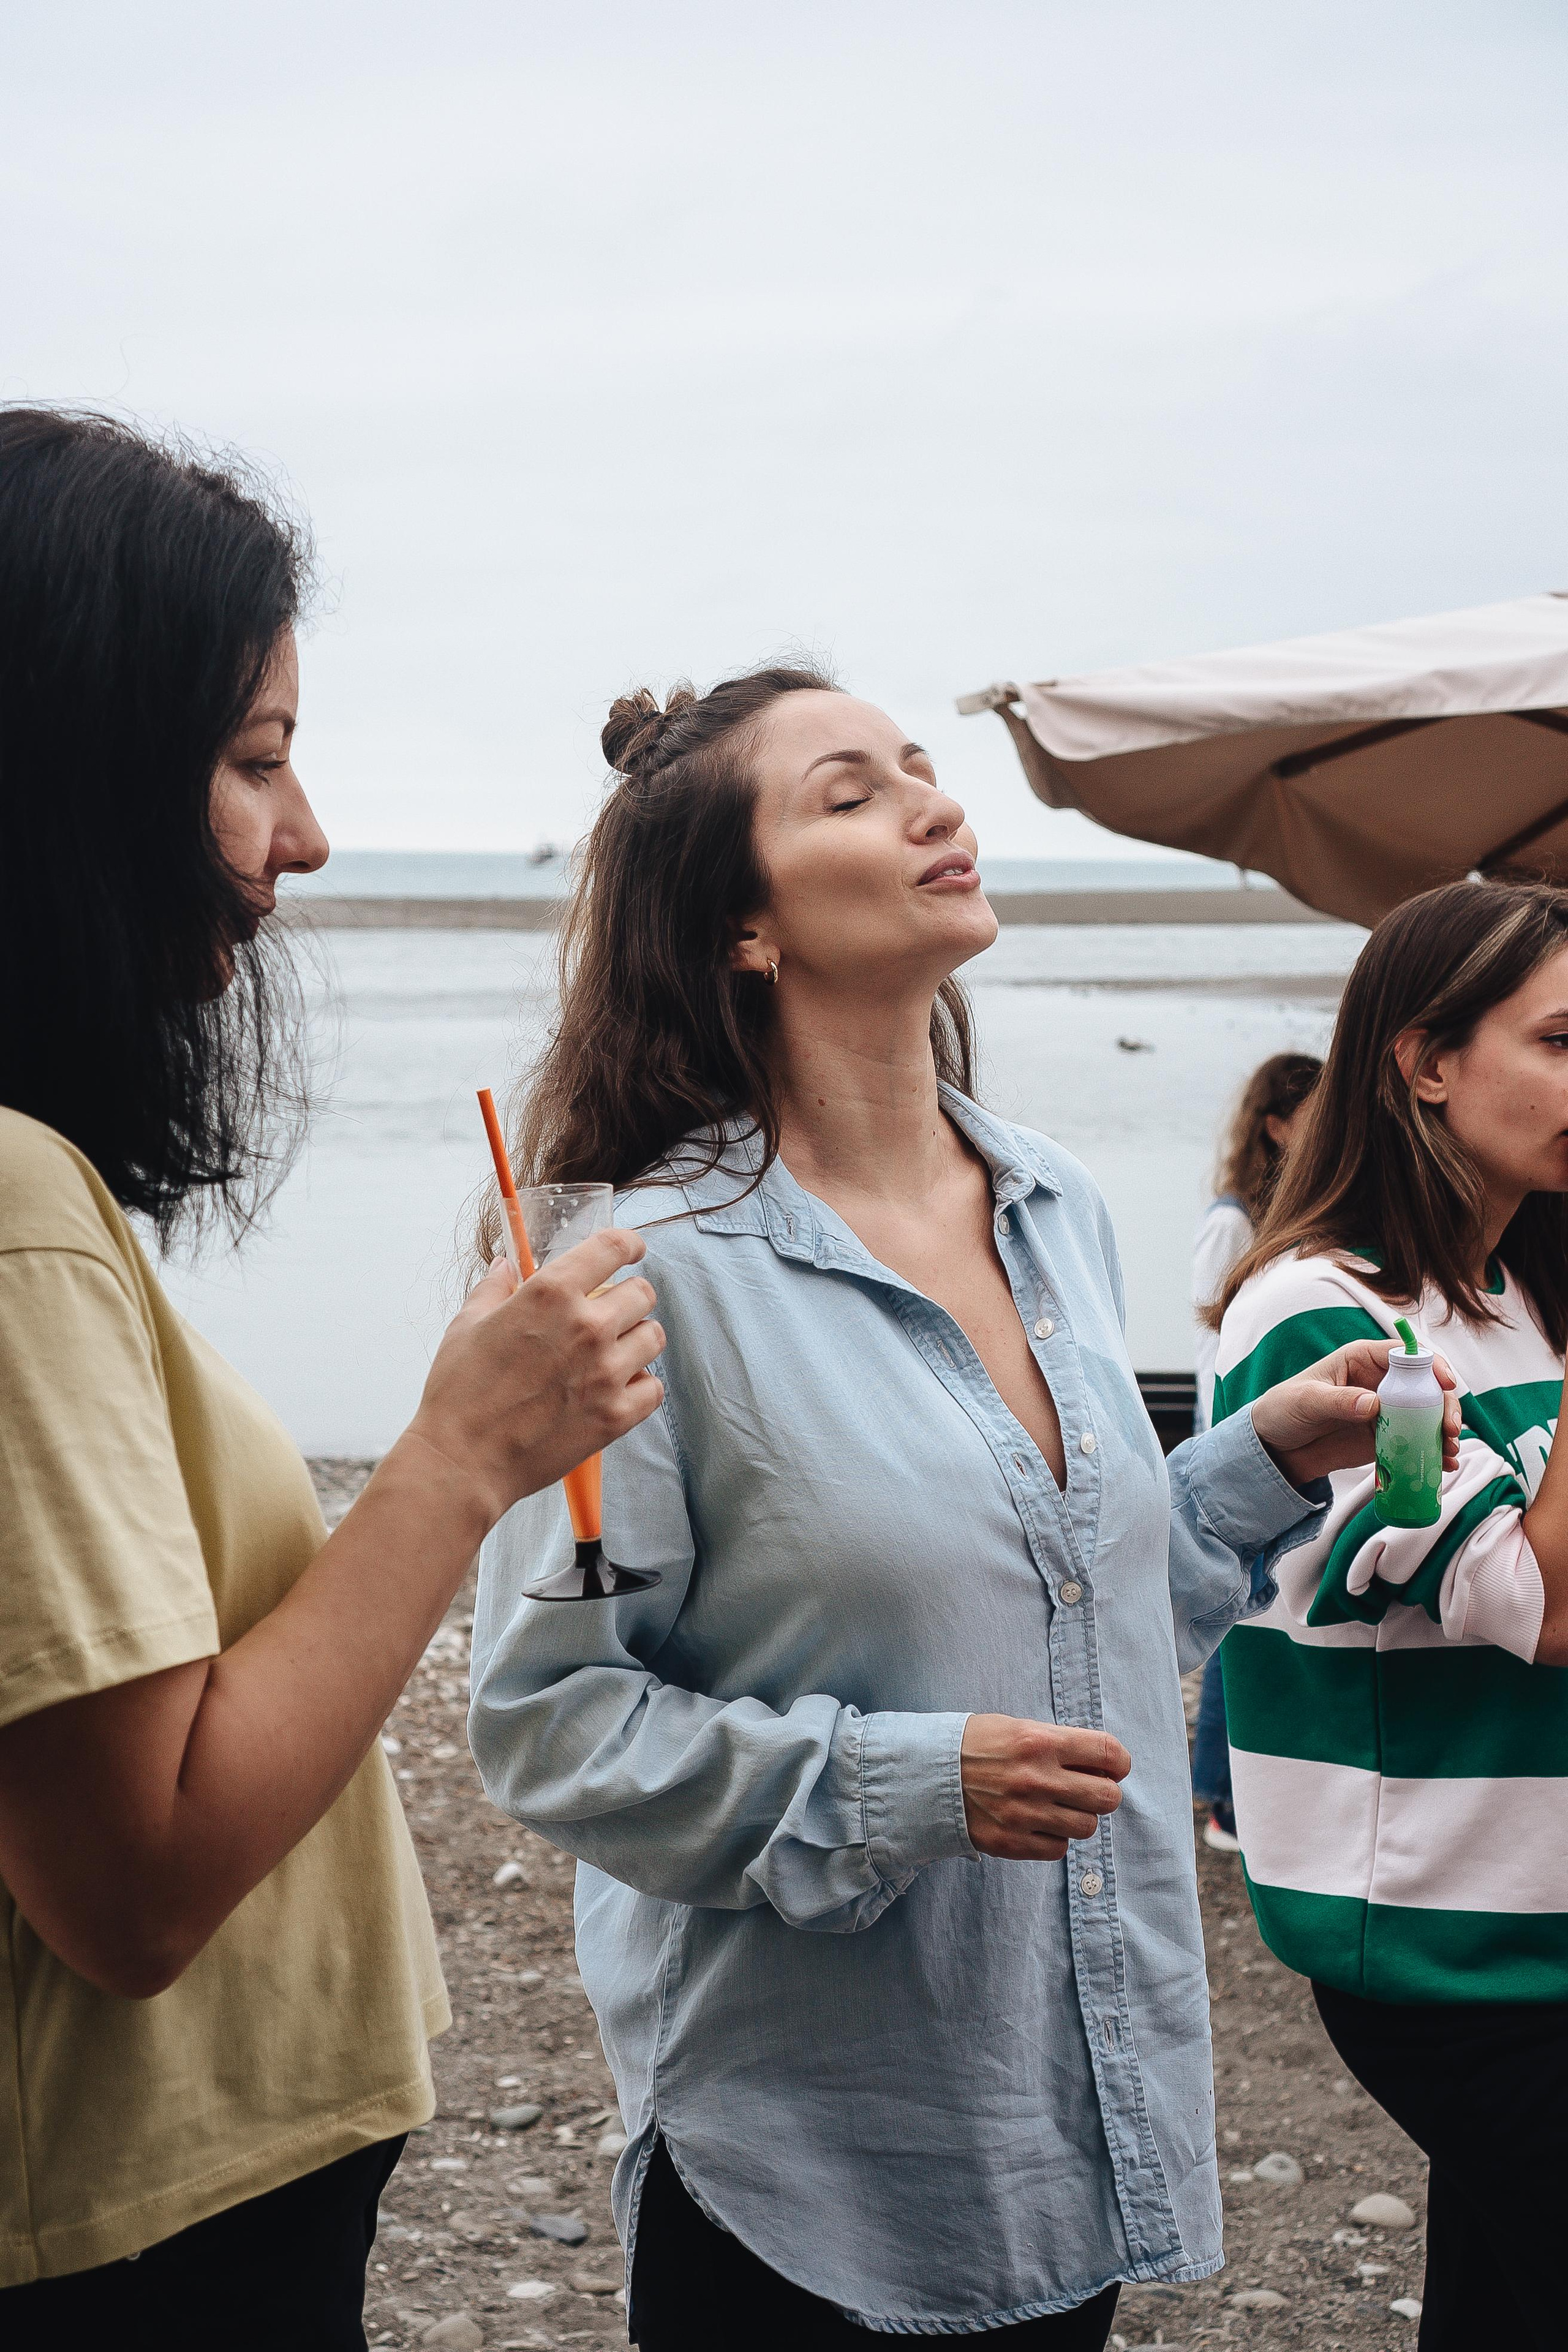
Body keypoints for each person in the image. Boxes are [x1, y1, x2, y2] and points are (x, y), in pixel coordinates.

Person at [466, 667, 1452, 2347]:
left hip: (1065, 2105)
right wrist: (908, 1778)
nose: (934, 803)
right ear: (742, 930)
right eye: (853, 793)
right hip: (810, 2163)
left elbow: (1074, 1624)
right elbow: (550, 1727)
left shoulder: (1054, 1200)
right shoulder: (635, 1274)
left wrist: (1235, 1481)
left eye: (925, 768)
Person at [0, 409, 664, 2344]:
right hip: (133, 2226)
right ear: (66, 779)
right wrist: (463, 1455)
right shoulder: (20, 1208)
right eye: (254, 759)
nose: (303, 835)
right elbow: (131, 1889)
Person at [1210, 880, 1568, 2352]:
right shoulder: (1323, 1316)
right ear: (1422, 1059)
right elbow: (1538, 1606)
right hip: (1452, 1942)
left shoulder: (1523, 1290)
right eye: (1559, 1038)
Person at [1189, 1052, 1321, 1850]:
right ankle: (1219, 1799)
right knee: (1236, 1616)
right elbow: (1216, 1333)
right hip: (1234, 1436)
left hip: (1257, 1435)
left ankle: (1226, 1792)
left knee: (1251, 1608)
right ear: (1276, 1123)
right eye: (1314, 1113)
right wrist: (1231, 1440)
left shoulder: (1280, 1216)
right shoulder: (1234, 1220)